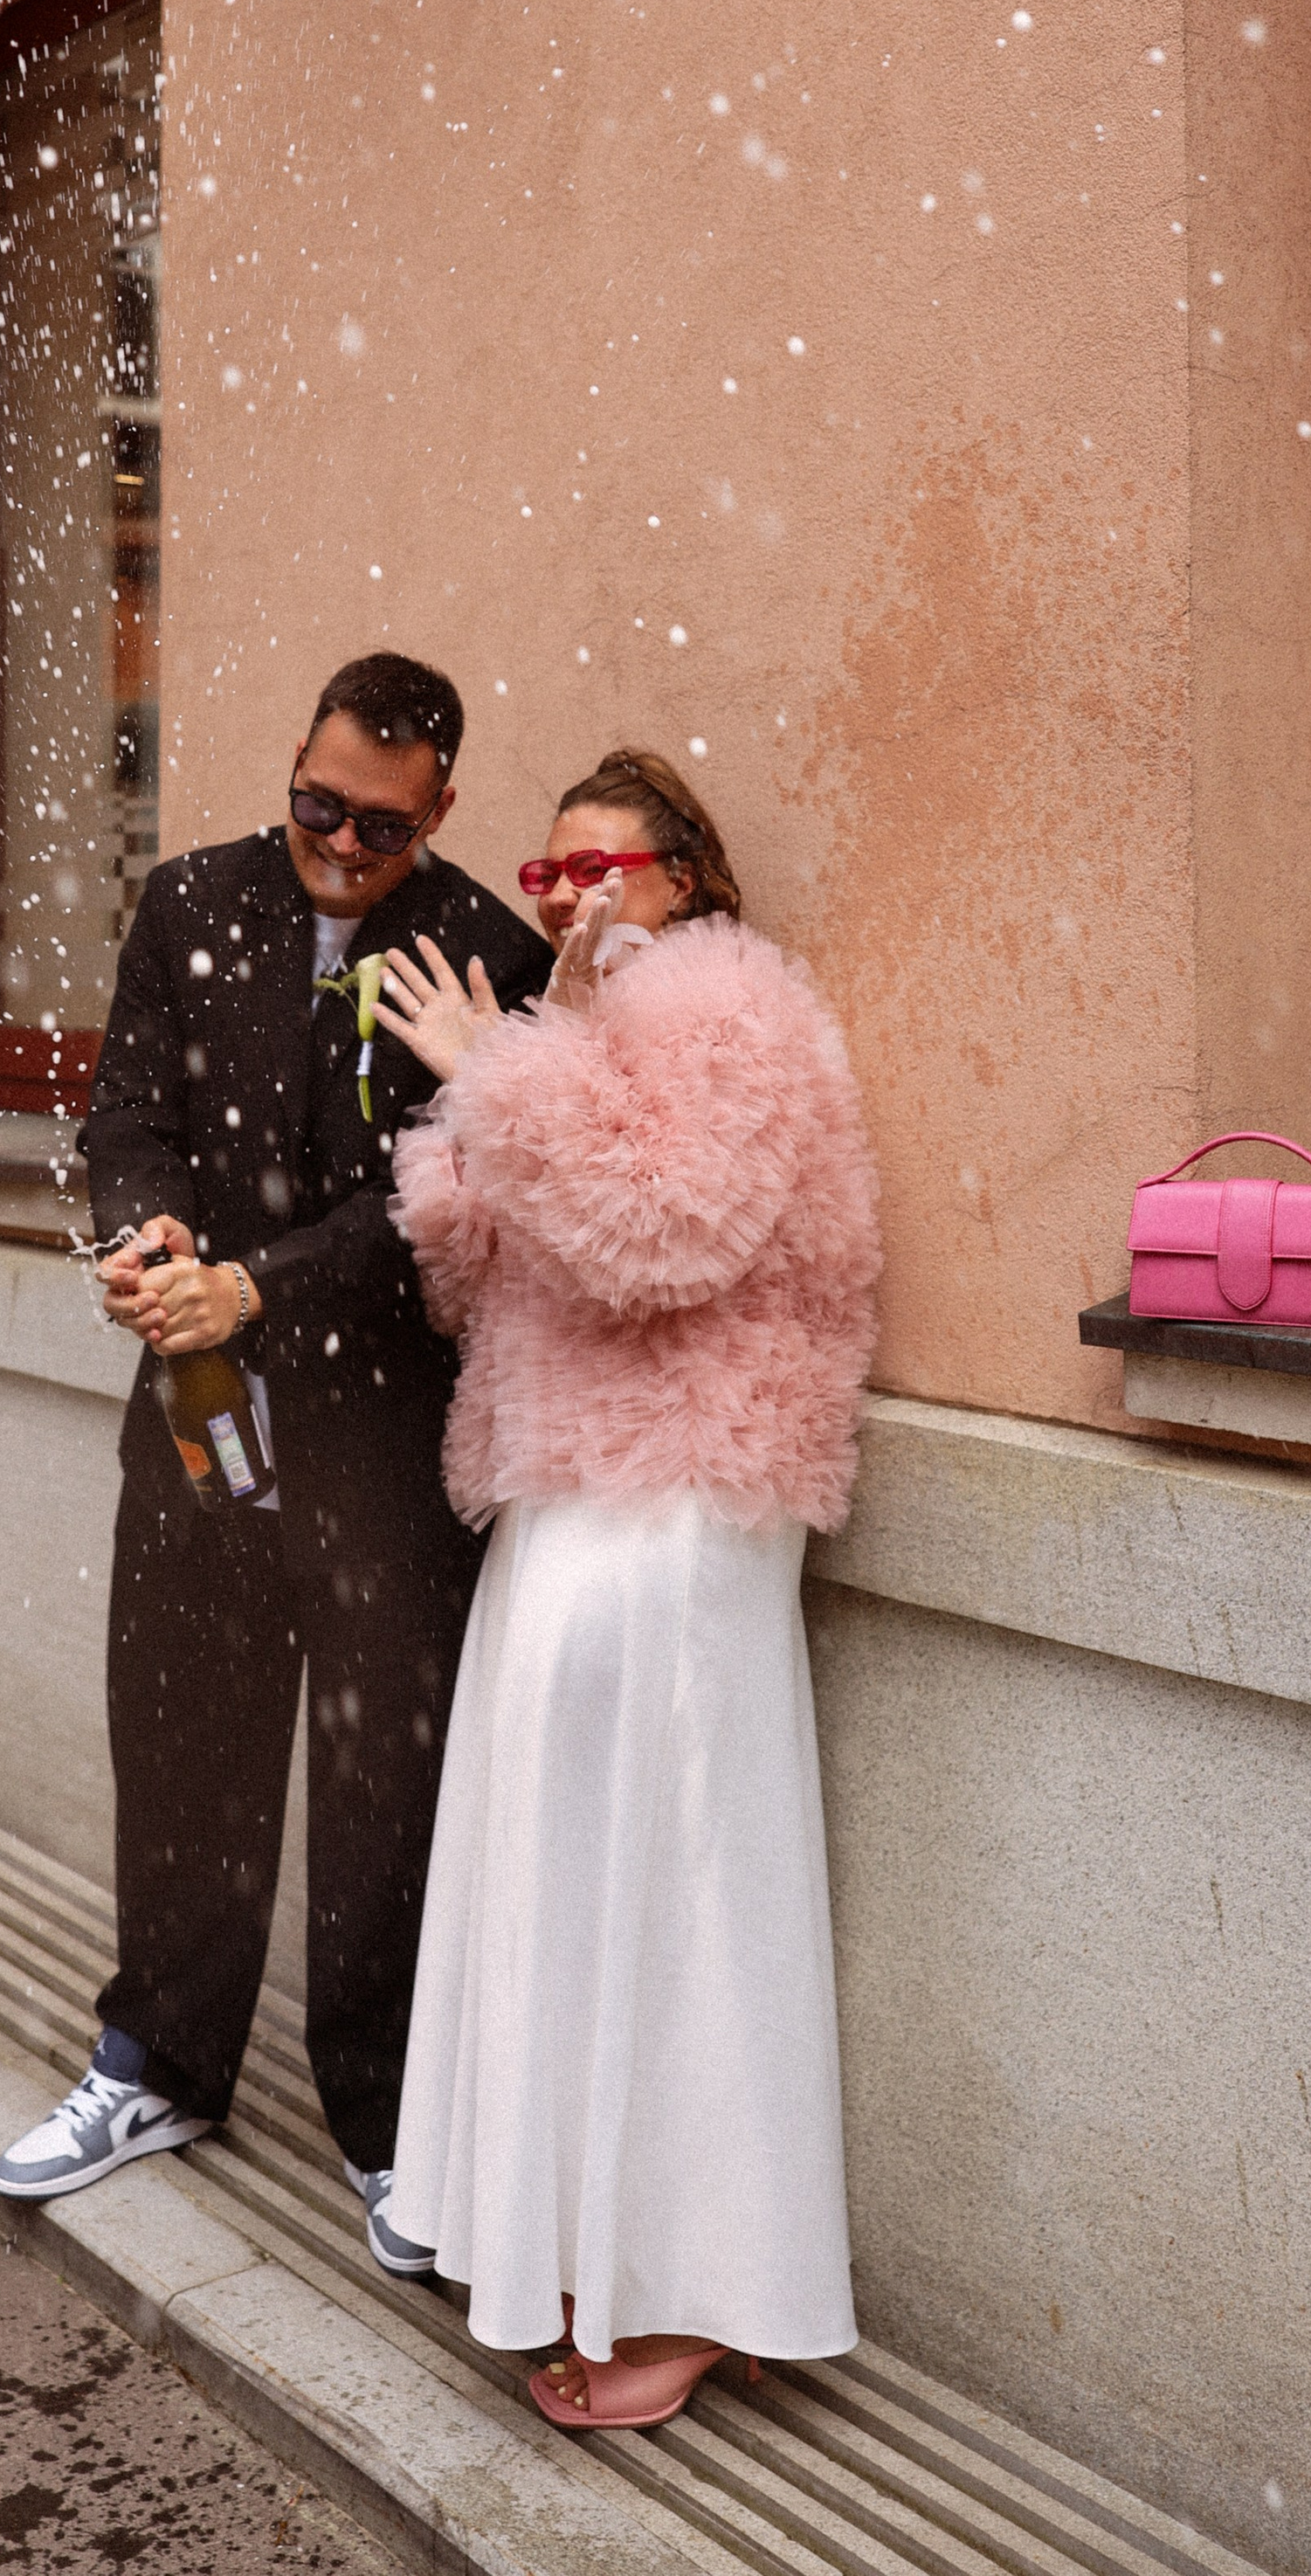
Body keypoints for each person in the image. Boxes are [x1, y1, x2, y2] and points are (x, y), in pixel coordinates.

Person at [0, 653, 551, 2276]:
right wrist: (145, 1238)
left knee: (386, 1794)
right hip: (194, 1413)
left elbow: (446, 1202)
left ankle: (391, 2133)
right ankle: (156, 2066)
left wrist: (259, 1282)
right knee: (178, 1735)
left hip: (381, 1438)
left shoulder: (488, 959)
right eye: (319, 806)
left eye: (383, 825)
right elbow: (124, 1119)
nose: (343, 844)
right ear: (290, 768)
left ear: (440, 810)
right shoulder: (185, 902)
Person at [369, 749, 880, 2428]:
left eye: (613, 870)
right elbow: (488, 1285)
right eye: (552, 873)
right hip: (569, 1491)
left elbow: (673, 1235)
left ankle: (699, 2282)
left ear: (689, 881)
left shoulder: (735, 1007)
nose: (578, 900)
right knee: (558, 1871)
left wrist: (495, 1078)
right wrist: (471, 1108)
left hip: (683, 1495)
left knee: (676, 1887)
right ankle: (577, 2243)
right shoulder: (570, 1038)